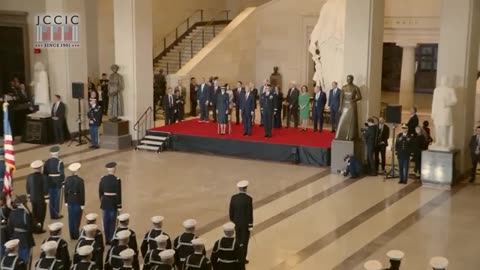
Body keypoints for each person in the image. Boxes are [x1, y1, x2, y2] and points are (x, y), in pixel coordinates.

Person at [229, 180, 253, 264]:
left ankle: (236, 256)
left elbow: (231, 211)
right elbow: (249, 213)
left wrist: (232, 220)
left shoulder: (233, 197)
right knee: (244, 242)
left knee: (238, 240)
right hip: (245, 224)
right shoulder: (248, 199)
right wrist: (250, 225)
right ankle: (242, 258)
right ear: (245, 188)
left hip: (236, 223)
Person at [99, 162, 122, 244]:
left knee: (105, 221)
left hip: (105, 202)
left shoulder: (103, 178)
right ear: (114, 169)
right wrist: (119, 205)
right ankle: (111, 238)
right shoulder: (117, 179)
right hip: (113, 203)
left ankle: (106, 239)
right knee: (113, 221)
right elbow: (119, 193)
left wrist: (102, 201)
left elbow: (100, 192)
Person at [7, 195, 34, 267]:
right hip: (25, 240)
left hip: (15, 238)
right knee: (25, 261)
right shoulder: (26, 214)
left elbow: (10, 228)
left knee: (17, 260)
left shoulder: (12, 213)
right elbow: (30, 229)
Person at [335, 75, 362, 141]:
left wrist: (354, 100)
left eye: (349, 79)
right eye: (347, 79)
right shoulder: (344, 87)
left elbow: (360, 97)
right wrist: (340, 107)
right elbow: (341, 97)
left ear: (352, 80)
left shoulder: (355, 88)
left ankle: (350, 136)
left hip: (352, 105)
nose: (348, 80)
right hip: (345, 105)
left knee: (351, 121)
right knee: (342, 120)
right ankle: (340, 135)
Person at [26, 160, 49, 233]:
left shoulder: (29, 176)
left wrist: (29, 196)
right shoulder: (44, 177)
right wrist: (47, 198)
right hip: (41, 199)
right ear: (40, 168)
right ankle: (39, 229)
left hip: (33, 198)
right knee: (41, 215)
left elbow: (27, 187)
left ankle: (34, 228)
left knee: (34, 214)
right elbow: (45, 188)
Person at [64, 162, 85, 240]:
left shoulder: (67, 179)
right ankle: (76, 234)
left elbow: (65, 191)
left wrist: (66, 201)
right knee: (77, 218)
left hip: (69, 200)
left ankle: (71, 234)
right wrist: (82, 203)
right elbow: (82, 193)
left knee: (71, 218)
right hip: (77, 200)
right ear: (77, 170)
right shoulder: (80, 180)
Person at [43, 146, 64, 220]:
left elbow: (45, 174)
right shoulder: (60, 162)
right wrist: (63, 183)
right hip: (57, 182)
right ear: (57, 153)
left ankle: (52, 215)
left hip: (49, 183)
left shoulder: (46, 162)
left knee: (51, 199)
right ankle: (56, 214)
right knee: (57, 199)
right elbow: (62, 174)